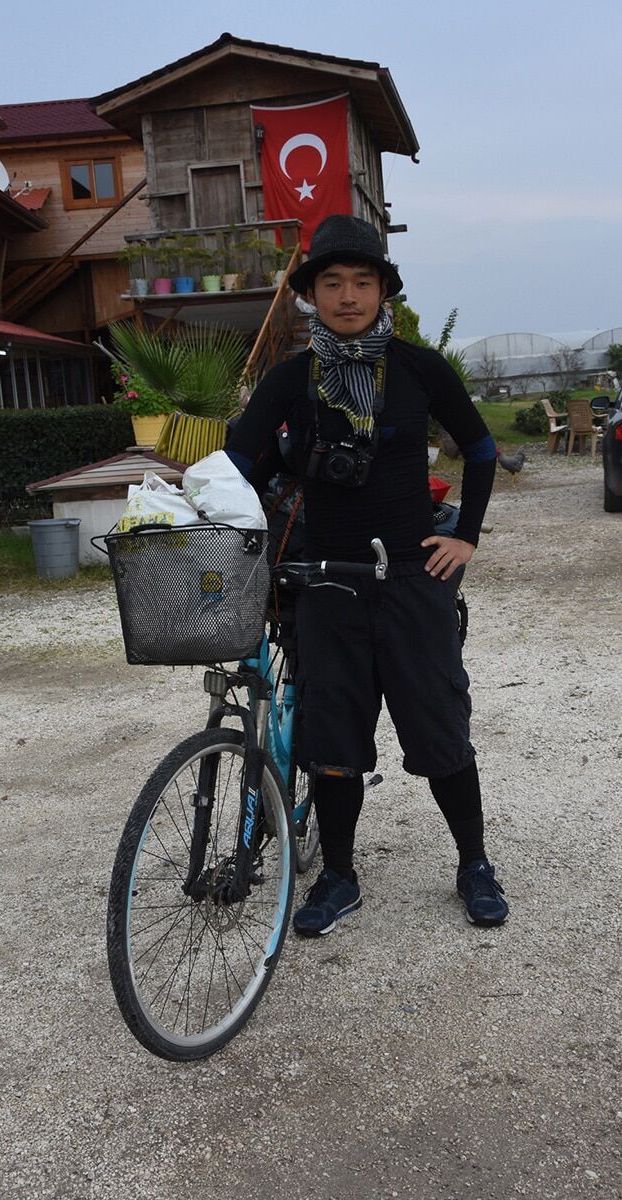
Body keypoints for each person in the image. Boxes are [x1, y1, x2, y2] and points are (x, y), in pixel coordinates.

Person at [226, 214, 509, 936]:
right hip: (324, 585)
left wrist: (465, 539)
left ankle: (473, 862)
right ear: (310, 294)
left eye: (361, 282)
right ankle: (339, 876)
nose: (347, 296)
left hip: (411, 579)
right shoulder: (290, 380)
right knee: (332, 742)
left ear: (383, 290)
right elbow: (234, 466)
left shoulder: (418, 369)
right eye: (332, 283)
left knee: (438, 728)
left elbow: (478, 452)